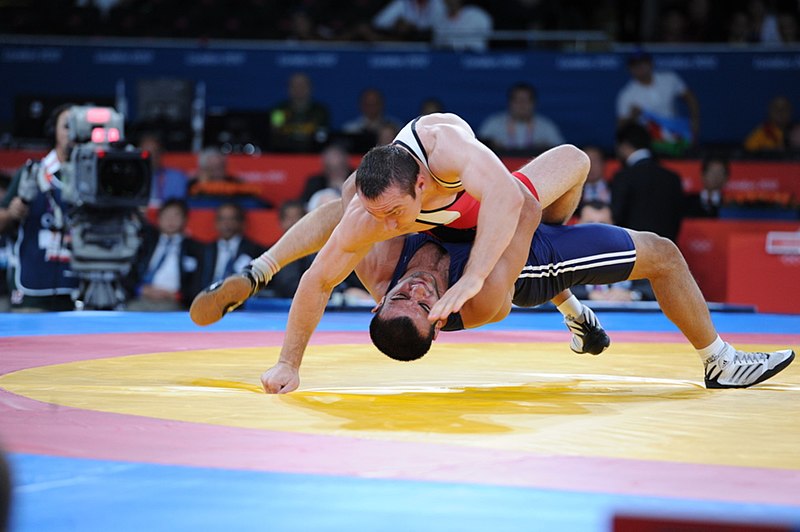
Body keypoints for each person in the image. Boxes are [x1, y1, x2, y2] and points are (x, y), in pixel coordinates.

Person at [192, 113, 613, 381]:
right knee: (353, 209)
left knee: (569, 167)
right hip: (451, 235)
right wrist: (288, 362)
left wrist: (475, 275)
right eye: (383, 214)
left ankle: (261, 268)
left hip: (463, 218)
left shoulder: (448, 150)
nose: (388, 225)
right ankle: (260, 269)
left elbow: (511, 204)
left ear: (422, 185)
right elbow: (318, 280)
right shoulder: (386, 205)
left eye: (391, 213)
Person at [352, 192, 794, 394]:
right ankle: (720, 361)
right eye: (423, 303)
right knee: (663, 255)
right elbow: (522, 214)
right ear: (440, 317)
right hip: (526, 263)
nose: (413, 289)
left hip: (498, 239)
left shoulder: (376, 263)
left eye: (399, 297)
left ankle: (575, 314)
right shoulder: (481, 297)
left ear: (381, 300)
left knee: (556, 178)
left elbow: (349, 203)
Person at [0, 104, 77, 312]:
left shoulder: (98, 177)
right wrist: (13, 212)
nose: (74, 133)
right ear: (54, 131)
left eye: (79, 126)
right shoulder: (32, 172)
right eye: (67, 126)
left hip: (81, 288)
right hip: (34, 289)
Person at [610, 122, 685, 243]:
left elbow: (616, 216)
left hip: (635, 252)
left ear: (624, 145)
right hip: (666, 251)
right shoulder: (672, 178)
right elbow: (677, 219)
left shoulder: (623, 177)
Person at [616, 50, 700, 155]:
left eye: (643, 63)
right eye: (635, 65)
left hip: (676, 135)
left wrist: (695, 123)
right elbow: (621, 127)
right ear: (630, 69)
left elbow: (690, 98)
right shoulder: (627, 94)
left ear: (650, 63)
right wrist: (633, 116)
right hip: (650, 142)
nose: (640, 68)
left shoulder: (669, 79)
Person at [125, 199, 204, 311]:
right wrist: (141, 289)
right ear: (158, 219)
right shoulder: (146, 243)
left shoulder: (194, 248)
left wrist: (177, 295)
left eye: (176, 216)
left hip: (173, 302)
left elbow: (197, 282)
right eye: (166, 215)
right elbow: (129, 274)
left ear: (185, 219)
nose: (170, 220)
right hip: (142, 298)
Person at [569, 200, 654, 303]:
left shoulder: (631, 254)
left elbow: (656, 286)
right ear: (578, 225)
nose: (596, 230)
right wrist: (589, 295)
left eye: (603, 224)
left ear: (614, 226)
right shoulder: (564, 255)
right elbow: (551, 288)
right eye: (589, 223)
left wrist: (632, 294)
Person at [478, 82, 565, 155]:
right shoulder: (493, 124)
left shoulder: (546, 126)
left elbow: (561, 153)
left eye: (526, 101)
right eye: (517, 100)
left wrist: (546, 149)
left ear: (534, 103)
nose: (521, 105)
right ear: (510, 103)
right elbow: (478, 149)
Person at [201, 202, 264, 287]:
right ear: (216, 223)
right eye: (222, 219)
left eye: (232, 219)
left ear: (241, 222)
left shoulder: (255, 250)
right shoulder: (204, 250)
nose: (226, 223)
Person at [267, 72, 331, 153]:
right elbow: (275, 132)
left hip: (312, 153)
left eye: (303, 85)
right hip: (284, 153)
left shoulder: (320, 111)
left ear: (310, 88)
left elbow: (322, 137)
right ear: (288, 89)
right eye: (294, 86)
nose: (299, 89)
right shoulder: (279, 110)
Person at [138, 131, 189, 209]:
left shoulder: (177, 178)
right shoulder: (131, 179)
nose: (150, 157)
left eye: (154, 152)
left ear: (160, 154)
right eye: (145, 154)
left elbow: (176, 209)